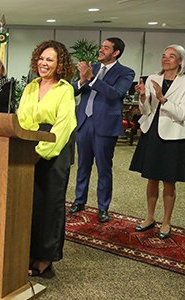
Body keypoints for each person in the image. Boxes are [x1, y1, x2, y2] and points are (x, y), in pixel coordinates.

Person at [17, 40, 76, 277]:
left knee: (49, 206)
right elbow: (22, 117)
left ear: (60, 64)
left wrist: (39, 153)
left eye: (50, 60)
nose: (44, 63)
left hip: (54, 151)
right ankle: (28, 252)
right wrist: (24, 146)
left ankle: (45, 259)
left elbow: (63, 127)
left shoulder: (65, 89)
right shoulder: (31, 86)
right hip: (30, 147)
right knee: (30, 205)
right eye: (41, 59)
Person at [130, 45, 185, 239]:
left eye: (171, 56)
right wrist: (143, 96)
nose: (165, 59)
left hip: (172, 137)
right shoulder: (153, 78)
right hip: (151, 133)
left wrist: (162, 98)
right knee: (151, 178)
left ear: (180, 61)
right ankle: (149, 217)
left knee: (169, 181)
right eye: (164, 56)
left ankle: (166, 221)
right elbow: (146, 111)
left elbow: (183, 113)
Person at [68, 37, 135, 222]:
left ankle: (103, 207)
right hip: (84, 123)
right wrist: (82, 80)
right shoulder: (93, 67)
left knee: (104, 168)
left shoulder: (126, 72)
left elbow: (115, 94)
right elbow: (74, 90)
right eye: (101, 47)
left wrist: (91, 78)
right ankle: (79, 200)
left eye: (106, 48)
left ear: (116, 53)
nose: (101, 50)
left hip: (105, 126)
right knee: (82, 165)